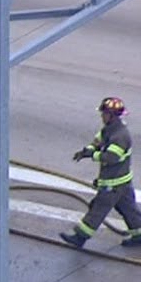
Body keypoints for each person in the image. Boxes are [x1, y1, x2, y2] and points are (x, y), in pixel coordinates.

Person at [59, 96, 141, 248]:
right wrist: (86, 151)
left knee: (98, 208)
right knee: (129, 209)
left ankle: (80, 236)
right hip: (121, 182)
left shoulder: (120, 136)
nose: (102, 116)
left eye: (104, 114)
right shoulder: (109, 130)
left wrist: (92, 155)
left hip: (113, 183)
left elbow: (111, 157)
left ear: (112, 116)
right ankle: (139, 234)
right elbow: (97, 142)